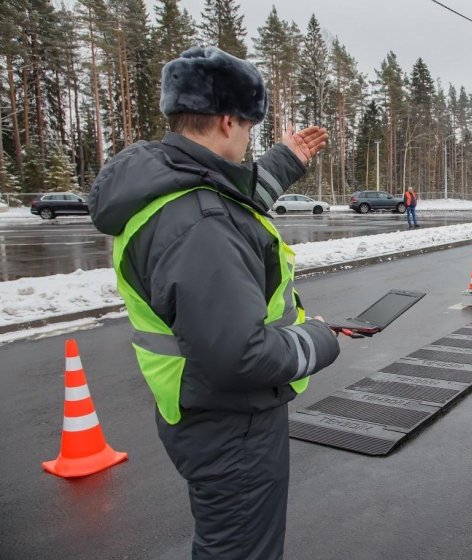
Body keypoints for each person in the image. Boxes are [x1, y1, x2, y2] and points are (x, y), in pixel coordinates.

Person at [88, 46, 341, 559]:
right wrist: (319, 340)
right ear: (228, 121)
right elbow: (239, 355)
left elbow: (230, 203)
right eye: (249, 127)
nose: (249, 140)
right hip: (232, 422)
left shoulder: (170, 185)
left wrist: (284, 161)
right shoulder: (200, 223)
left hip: (202, 410)